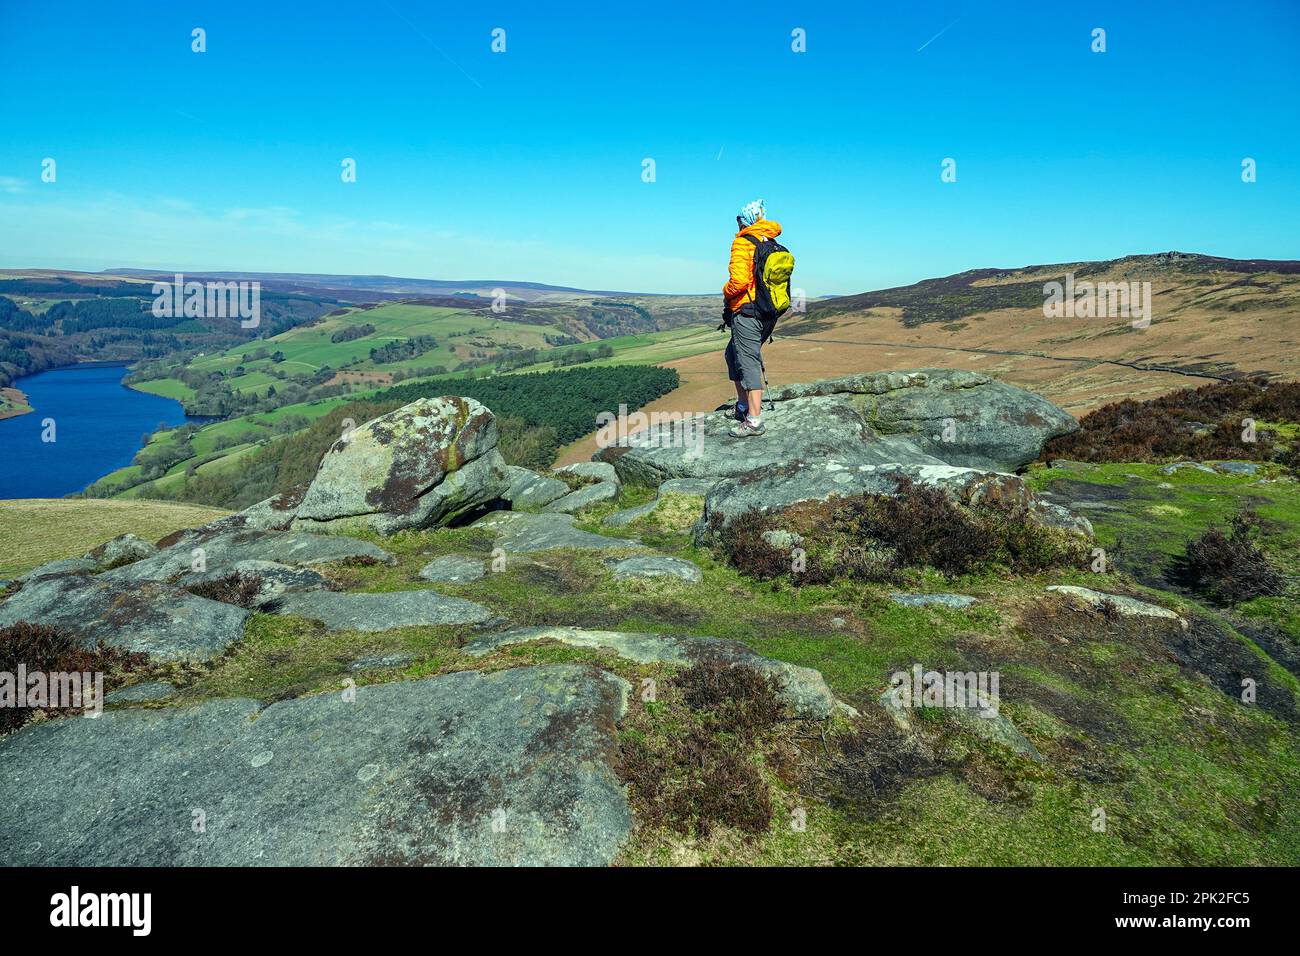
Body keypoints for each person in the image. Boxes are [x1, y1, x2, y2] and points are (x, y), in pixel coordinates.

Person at [722, 199, 782, 438]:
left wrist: (725, 292)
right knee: (733, 354)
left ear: (744, 220)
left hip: (747, 311)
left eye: (739, 220)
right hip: (768, 311)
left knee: (747, 361)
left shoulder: (742, 243)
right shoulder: (770, 240)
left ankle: (754, 420)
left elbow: (738, 283)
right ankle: (744, 405)